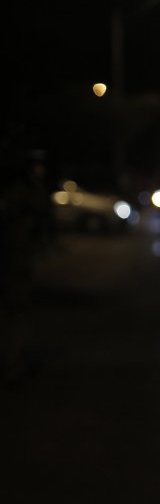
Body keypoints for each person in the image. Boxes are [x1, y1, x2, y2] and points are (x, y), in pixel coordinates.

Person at [0, 149, 54, 386]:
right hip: (15, 256)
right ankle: (12, 364)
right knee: (15, 309)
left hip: (21, 255)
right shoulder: (20, 194)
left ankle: (17, 360)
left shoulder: (31, 191)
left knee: (20, 309)